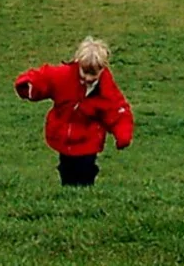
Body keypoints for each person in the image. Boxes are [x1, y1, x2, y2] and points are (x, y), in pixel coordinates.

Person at [14, 36, 134, 186]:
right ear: (78, 63)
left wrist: (123, 135)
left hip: (88, 140)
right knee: (66, 170)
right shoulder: (63, 75)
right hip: (62, 136)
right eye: (85, 72)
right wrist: (28, 86)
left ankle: (84, 192)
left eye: (93, 74)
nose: (88, 78)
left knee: (86, 171)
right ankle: (69, 193)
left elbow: (118, 111)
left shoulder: (107, 90)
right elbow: (43, 78)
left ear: (103, 69)